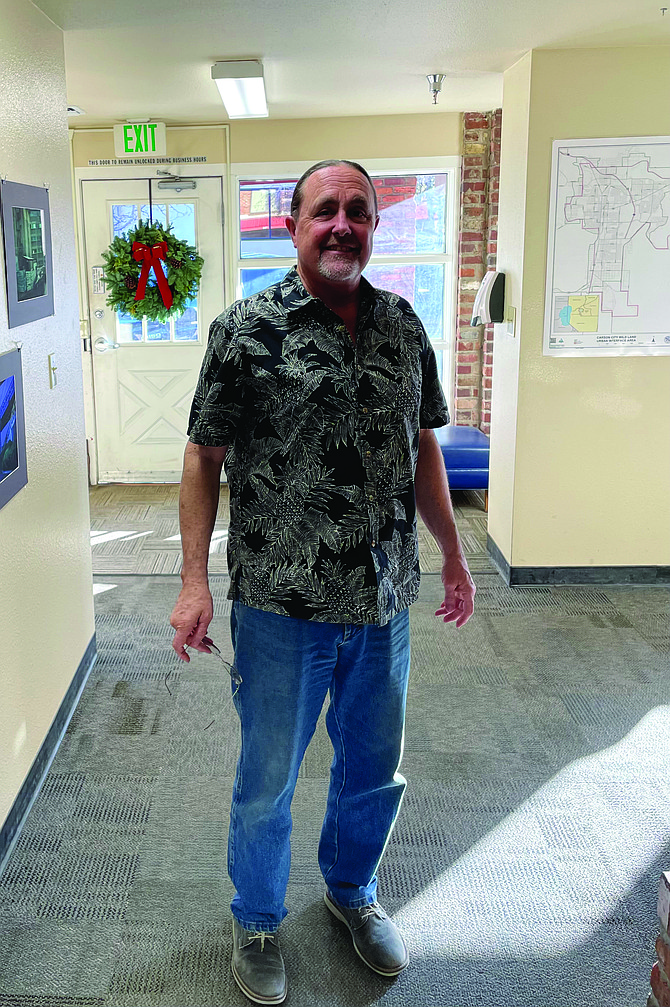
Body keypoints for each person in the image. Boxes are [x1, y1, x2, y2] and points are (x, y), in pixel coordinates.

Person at [170, 159, 475, 1005]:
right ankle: (259, 916)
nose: (343, 225)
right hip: (281, 606)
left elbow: (423, 449)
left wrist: (452, 552)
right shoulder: (246, 329)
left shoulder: (403, 326)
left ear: (374, 226)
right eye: (325, 211)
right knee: (268, 778)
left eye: (359, 212)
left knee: (376, 768)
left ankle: (351, 892)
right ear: (294, 223)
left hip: (384, 603)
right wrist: (192, 580)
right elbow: (203, 453)